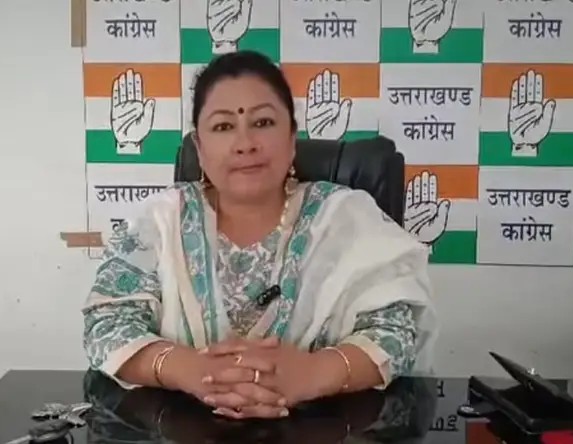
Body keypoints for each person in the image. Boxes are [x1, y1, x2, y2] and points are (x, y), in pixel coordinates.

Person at [82, 50, 437, 420]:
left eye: (263, 122)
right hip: (183, 429)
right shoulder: (159, 222)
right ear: (199, 148)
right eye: (223, 127)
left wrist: (314, 374)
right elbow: (107, 326)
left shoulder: (347, 218)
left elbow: (397, 333)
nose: (245, 143)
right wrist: (192, 371)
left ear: (292, 138)